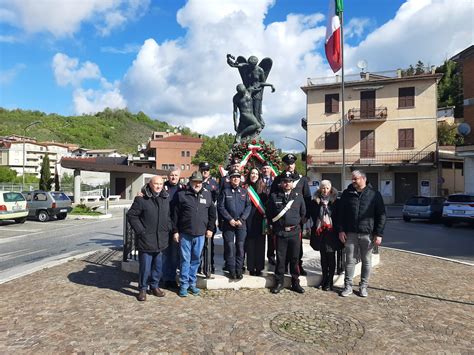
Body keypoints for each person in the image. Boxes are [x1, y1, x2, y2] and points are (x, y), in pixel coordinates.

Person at [338, 170, 386, 298]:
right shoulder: (347, 194)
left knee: (366, 261)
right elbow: (340, 213)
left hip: (367, 235)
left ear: (363, 178)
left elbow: (381, 215)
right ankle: (347, 286)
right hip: (350, 234)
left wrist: (379, 234)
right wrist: (341, 230)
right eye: (352, 179)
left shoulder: (374, 194)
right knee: (349, 261)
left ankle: (363, 286)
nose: (353, 181)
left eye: (356, 179)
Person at [127, 176, 171, 301]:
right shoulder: (141, 199)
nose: (158, 186)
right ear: (150, 184)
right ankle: (142, 288)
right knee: (145, 267)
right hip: (146, 239)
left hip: (161, 238)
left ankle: (154, 286)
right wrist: (141, 231)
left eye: (161, 184)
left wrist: (168, 227)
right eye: (156, 184)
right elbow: (132, 215)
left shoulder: (165, 198)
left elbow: (168, 216)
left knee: (158, 266)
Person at [172, 171, 216, 297]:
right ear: (190, 182)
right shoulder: (181, 195)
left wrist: (210, 229)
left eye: (199, 182)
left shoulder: (207, 195)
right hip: (185, 233)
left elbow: (212, 214)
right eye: (194, 182)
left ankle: (192, 284)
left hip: (200, 234)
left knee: (196, 259)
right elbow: (175, 215)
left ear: (202, 183)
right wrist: (175, 231)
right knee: (185, 260)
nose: (197, 184)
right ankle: (184, 285)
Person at [271, 153, 311, 275]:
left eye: (292, 163)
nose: (290, 166)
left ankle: (298, 265)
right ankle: (283, 268)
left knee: (297, 246)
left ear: (294, 164)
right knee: (281, 248)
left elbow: (307, 198)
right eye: (287, 164)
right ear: (285, 165)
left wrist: (306, 216)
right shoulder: (278, 179)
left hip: (297, 218)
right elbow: (272, 197)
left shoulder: (302, 179)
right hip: (281, 220)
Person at [267, 171, 306, 294]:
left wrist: (296, 224)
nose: (286, 184)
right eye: (284, 181)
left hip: (294, 232)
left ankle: (295, 282)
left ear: (292, 183)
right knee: (280, 259)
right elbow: (269, 214)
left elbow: (303, 213)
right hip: (280, 233)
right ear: (281, 183)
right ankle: (279, 282)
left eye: (289, 181)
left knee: (295, 259)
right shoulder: (274, 196)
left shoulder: (298, 196)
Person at [309, 180, 343, 291]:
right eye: (323, 188)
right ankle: (324, 278)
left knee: (331, 257)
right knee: (323, 257)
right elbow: (312, 215)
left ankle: (330, 281)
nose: (325, 190)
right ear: (320, 189)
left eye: (327, 188)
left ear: (331, 189)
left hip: (332, 233)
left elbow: (339, 217)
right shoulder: (315, 201)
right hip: (320, 232)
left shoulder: (336, 202)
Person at [217, 168, 251, 280]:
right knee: (230, 247)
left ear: (240, 179)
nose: (235, 179)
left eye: (237, 177)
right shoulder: (225, 192)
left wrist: (242, 219)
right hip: (229, 224)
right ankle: (231, 270)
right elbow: (221, 207)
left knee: (240, 247)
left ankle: (239, 269)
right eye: (233, 177)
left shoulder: (244, 192)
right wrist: (229, 219)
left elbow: (248, 207)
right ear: (230, 179)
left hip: (241, 224)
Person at [161, 168, 185, 289]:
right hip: (164, 225)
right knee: (165, 254)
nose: (174, 177)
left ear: (179, 176)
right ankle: (166, 278)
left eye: (176, 175)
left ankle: (172, 278)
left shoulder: (183, 189)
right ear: (168, 176)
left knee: (175, 254)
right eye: (171, 175)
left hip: (177, 225)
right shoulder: (161, 187)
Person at [243, 168, 267, 276]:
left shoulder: (263, 188)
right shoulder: (245, 187)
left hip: (260, 218)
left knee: (260, 244)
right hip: (248, 218)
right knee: (250, 243)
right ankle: (251, 267)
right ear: (249, 175)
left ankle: (259, 267)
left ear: (259, 175)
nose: (254, 175)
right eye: (252, 173)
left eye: (256, 173)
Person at [199, 161, 219, 274]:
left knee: (209, 244)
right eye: (202, 170)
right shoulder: (196, 181)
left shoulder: (214, 184)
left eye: (206, 170)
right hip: (199, 217)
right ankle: (198, 265)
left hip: (210, 217)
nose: (204, 172)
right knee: (198, 244)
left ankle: (209, 266)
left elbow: (216, 200)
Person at [261, 163, 276, 265]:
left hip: (271, 212)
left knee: (271, 236)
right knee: (260, 236)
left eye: (267, 168)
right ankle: (260, 256)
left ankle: (271, 256)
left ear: (271, 169)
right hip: (259, 211)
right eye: (264, 168)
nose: (266, 170)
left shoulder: (275, 181)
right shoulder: (258, 180)